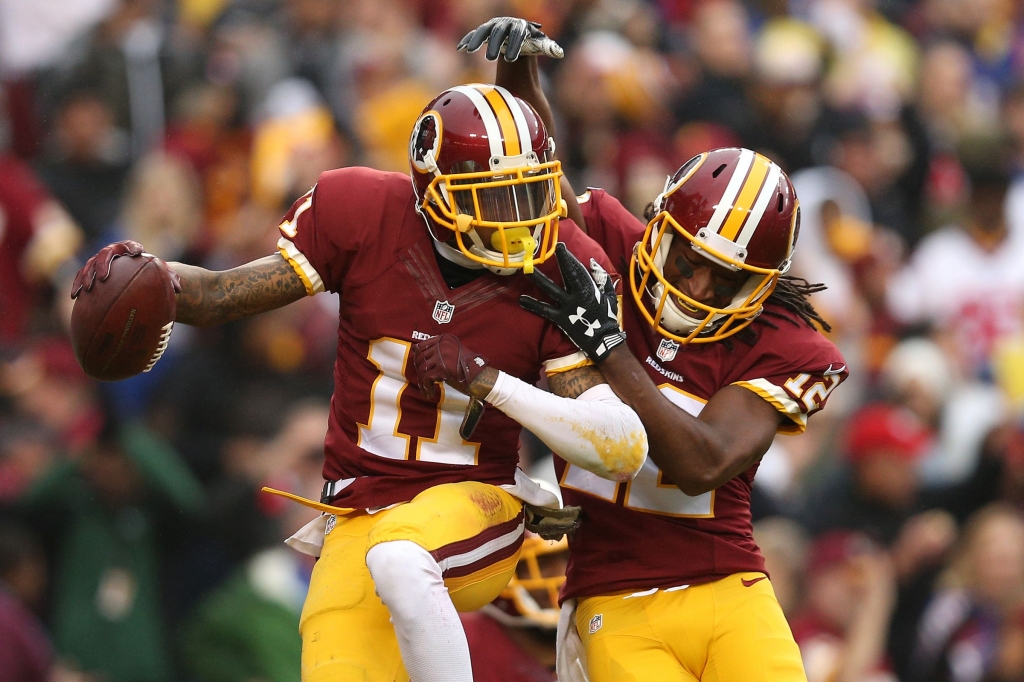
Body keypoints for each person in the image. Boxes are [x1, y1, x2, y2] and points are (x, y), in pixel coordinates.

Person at [70, 68, 648, 681]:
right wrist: (152, 279)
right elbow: (222, 295)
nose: (519, 217)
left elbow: (620, 445)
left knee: (404, 560)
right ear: (435, 190)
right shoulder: (364, 213)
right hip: (355, 515)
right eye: (494, 195)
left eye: (528, 192)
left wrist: (492, 383)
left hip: (477, 503)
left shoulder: (560, 265)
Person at [463, 17, 848, 681]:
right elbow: (532, 184)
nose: (696, 285)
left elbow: (704, 461)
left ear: (762, 284)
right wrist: (520, 73)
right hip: (612, 596)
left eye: (724, 279)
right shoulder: (611, 240)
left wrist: (611, 349)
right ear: (658, 222)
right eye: (688, 258)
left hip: (727, 588)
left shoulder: (786, 343)